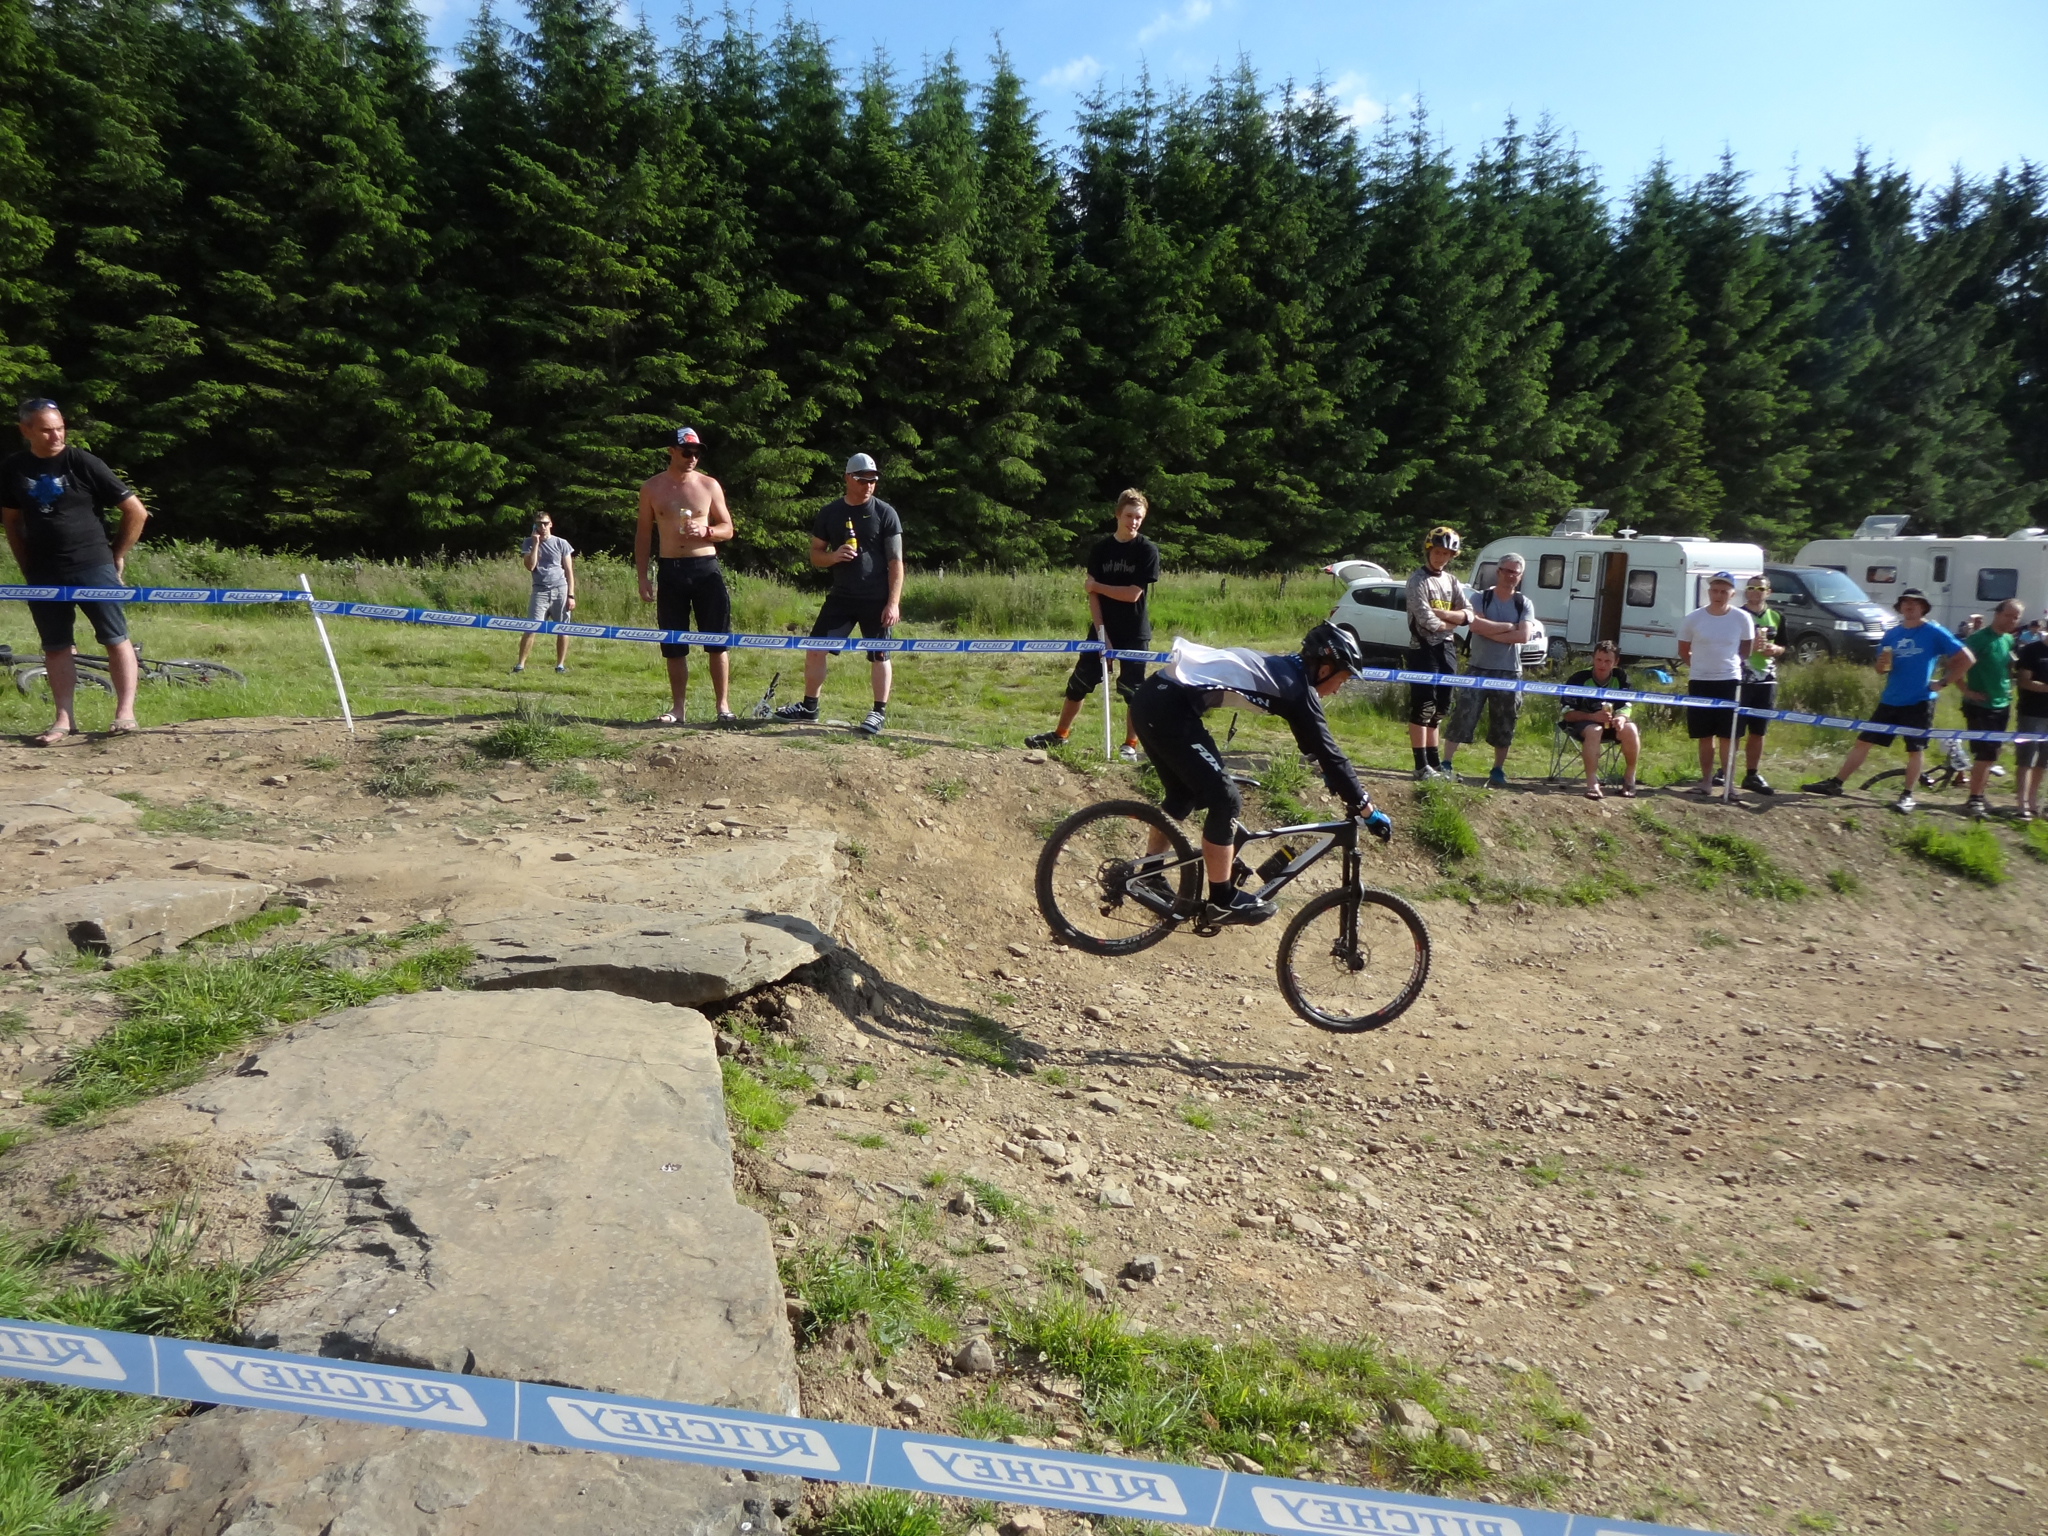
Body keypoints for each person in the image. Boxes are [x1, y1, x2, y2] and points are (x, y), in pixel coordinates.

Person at [1129, 622, 1389, 925]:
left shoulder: (1288, 673)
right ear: (1324, 669)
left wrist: (1330, 773)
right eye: (1342, 679)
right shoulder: (1296, 688)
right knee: (1226, 800)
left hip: (1154, 701)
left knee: (1182, 795)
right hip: (1167, 710)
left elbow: (1314, 746)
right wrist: (1366, 808)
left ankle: (1150, 875)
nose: (1338, 689)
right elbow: (1330, 753)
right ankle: (1222, 900)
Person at [0, 398, 151, 745]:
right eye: (46, 430)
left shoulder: (82, 461)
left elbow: (136, 511)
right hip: (43, 571)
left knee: (114, 637)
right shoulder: (13, 467)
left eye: (60, 428)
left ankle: (125, 713)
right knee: (55, 645)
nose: (56, 436)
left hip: (92, 564)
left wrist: (116, 554)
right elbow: (11, 521)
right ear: (26, 430)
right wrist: (26, 567)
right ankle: (63, 720)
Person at [1801, 587, 1971, 814]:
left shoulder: (1933, 631)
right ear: (1900, 607)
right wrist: (1880, 665)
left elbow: (1966, 658)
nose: (1910, 606)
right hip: (1891, 699)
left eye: (1915, 603)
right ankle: (1836, 783)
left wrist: (1943, 682)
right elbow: (1881, 669)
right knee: (1863, 742)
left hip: (1919, 701)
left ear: (1923, 607)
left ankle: (1907, 795)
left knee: (1915, 750)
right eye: (1905, 602)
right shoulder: (1892, 633)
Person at [1024, 490, 1161, 759]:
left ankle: (1129, 745)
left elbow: (1132, 594)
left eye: (1139, 518)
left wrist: (1096, 586)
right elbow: (1093, 597)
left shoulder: (1147, 550)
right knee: (1079, 683)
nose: (1133, 522)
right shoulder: (1101, 549)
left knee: (1133, 690)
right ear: (1118, 515)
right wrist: (1101, 636)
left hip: (1134, 631)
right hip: (1102, 628)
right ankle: (1060, 735)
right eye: (1129, 516)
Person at [775, 453, 903, 737]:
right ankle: (809, 707)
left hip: (876, 597)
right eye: (862, 480)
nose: (868, 485)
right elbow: (815, 555)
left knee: (880, 654)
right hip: (842, 596)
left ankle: (878, 712)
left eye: (872, 480)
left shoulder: (886, 513)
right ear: (847, 478)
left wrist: (893, 603)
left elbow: (896, 562)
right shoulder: (830, 512)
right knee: (815, 648)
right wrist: (833, 557)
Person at [636, 427, 735, 725]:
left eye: (697, 453)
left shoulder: (709, 485)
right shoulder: (652, 488)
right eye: (686, 452)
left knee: (716, 640)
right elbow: (643, 534)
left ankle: (723, 707)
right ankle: (678, 709)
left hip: (705, 568)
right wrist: (643, 576)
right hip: (671, 570)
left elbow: (728, 529)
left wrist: (706, 531)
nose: (692, 458)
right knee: (673, 643)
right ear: (671, 451)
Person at [1442, 551, 1531, 788]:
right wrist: (1509, 627)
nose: (1510, 576)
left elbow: (1523, 636)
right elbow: (1476, 626)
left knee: (1505, 721)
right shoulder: (1481, 598)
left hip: (1509, 672)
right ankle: (1446, 763)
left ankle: (1497, 769)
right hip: (1477, 668)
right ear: (1498, 572)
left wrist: (1491, 630)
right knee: (1462, 715)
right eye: (1507, 571)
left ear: (1521, 576)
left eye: (1515, 572)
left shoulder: (1524, 603)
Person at [1675, 572, 1754, 797]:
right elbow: (1683, 649)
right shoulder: (1694, 618)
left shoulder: (1742, 618)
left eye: (1724, 592)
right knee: (1704, 734)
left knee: (1729, 736)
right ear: (1709, 592)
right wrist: (1699, 665)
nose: (1718, 595)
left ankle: (1729, 784)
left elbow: (1746, 648)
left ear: (1732, 594)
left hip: (1729, 680)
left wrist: (1730, 664)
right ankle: (1706, 781)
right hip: (1700, 680)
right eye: (1715, 591)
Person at [1404, 526, 1471, 780]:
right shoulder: (1417, 580)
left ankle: (1435, 764)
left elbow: (1469, 614)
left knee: (1441, 708)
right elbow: (1426, 620)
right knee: (1423, 706)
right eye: (1437, 552)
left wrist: (1447, 616)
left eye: (1446, 554)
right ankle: (1421, 766)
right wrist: (1453, 621)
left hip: (1447, 648)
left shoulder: (1451, 581)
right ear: (1428, 550)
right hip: (1423, 648)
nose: (1441, 557)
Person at [1959, 597, 2024, 820]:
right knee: (1984, 752)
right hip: (1980, 705)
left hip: (2001, 703)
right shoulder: (1978, 639)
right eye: (2008, 616)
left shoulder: (2008, 639)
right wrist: (1966, 691)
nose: (2011, 621)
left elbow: (2006, 666)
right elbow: (1954, 663)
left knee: (1993, 753)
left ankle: (1980, 794)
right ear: (1997, 614)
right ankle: (1974, 799)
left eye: (2016, 617)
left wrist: (2008, 687)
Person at [1559, 640, 1640, 799]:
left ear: (1616, 662)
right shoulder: (1579, 678)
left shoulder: (1621, 677)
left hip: (1612, 723)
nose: (1602, 665)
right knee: (1594, 730)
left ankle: (1629, 777)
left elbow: (1627, 704)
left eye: (1608, 661)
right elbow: (1567, 713)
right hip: (1583, 723)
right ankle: (1592, 783)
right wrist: (1592, 717)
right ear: (1592, 659)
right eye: (1599, 660)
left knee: (1631, 729)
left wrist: (1621, 717)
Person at [1734, 575, 1785, 794]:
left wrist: (1775, 650)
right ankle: (1724, 771)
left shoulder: (1776, 616)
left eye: (1760, 589)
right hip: (1741, 676)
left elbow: (1783, 646)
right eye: (1751, 588)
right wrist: (1748, 648)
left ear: (1768, 592)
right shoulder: (1737, 615)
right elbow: (1727, 645)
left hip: (1767, 677)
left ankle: (1752, 774)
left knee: (1758, 729)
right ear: (1746, 591)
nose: (1755, 592)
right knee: (1734, 729)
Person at [513, 513, 575, 673]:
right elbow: (530, 566)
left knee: (562, 628)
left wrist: (571, 595)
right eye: (539, 524)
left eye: (545, 523)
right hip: (539, 590)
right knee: (531, 627)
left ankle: (560, 665)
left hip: (560, 589)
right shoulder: (528, 542)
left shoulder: (561, 543)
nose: (543, 527)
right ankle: (520, 665)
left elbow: (569, 571)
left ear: (551, 524)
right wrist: (535, 543)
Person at [2014, 621, 2048, 822]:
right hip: (2032, 712)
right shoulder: (2031, 650)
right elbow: (2024, 680)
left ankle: (2034, 802)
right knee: (2026, 758)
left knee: (2043, 761)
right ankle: (2022, 803)